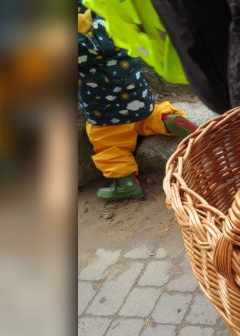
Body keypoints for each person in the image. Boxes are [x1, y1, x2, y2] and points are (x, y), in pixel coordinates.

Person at [78, 4, 197, 200]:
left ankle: (125, 182)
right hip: (139, 98)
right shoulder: (106, 17)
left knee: (107, 144)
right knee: (146, 116)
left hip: (106, 115)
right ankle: (166, 119)